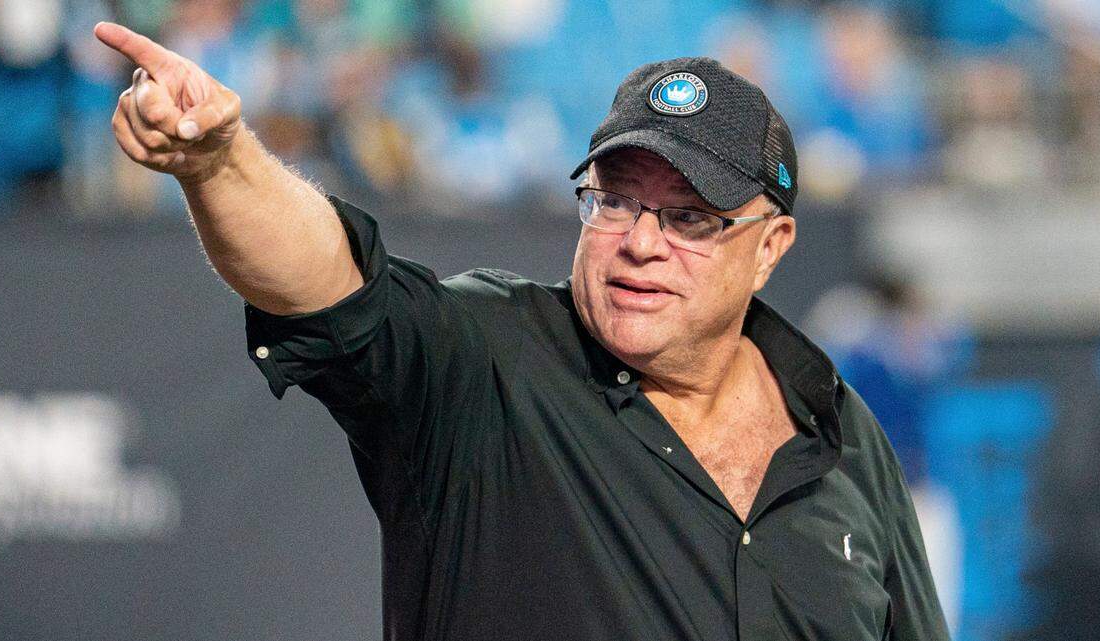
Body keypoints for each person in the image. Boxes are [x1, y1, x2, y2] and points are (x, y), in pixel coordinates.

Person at [94, 21, 949, 641]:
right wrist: (220, 161)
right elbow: (332, 284)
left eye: (691, 218)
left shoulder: (837, 433)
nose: (641, 242)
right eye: (615, 199)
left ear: (771, 247)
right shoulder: (486, 359)